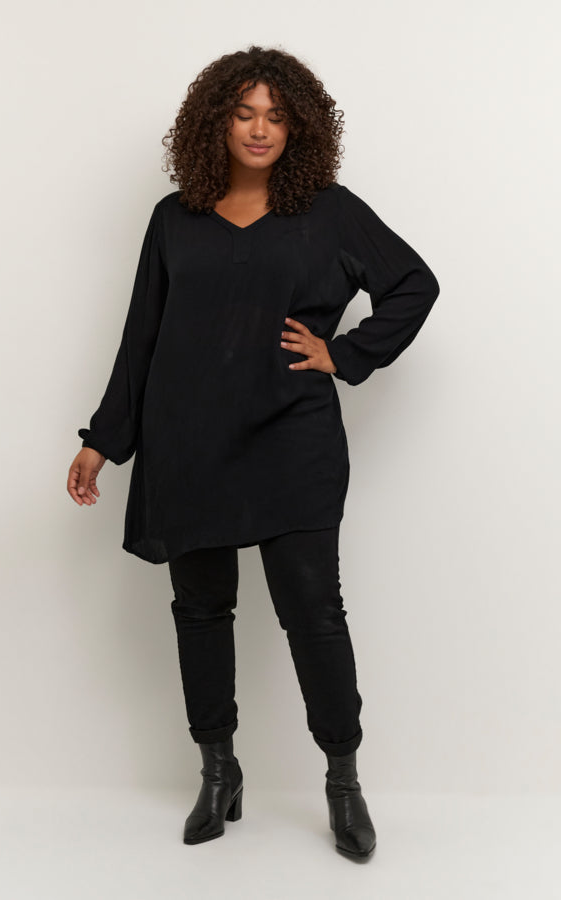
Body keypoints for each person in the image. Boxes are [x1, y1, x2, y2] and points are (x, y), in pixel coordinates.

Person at [67, 45, 439, 861]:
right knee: (201, 611)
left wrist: (345, 352)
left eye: (275, 115)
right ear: (216, 122)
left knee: (313, 613)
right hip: (188, 440)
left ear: (299, 125)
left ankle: (343, 781)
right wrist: (103, 441)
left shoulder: (330, 212)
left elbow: (414, 284)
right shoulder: (176, 217)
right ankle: (218, 772)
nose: (260, 128)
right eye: (243, 112)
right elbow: (142, 335)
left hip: (292, 440)